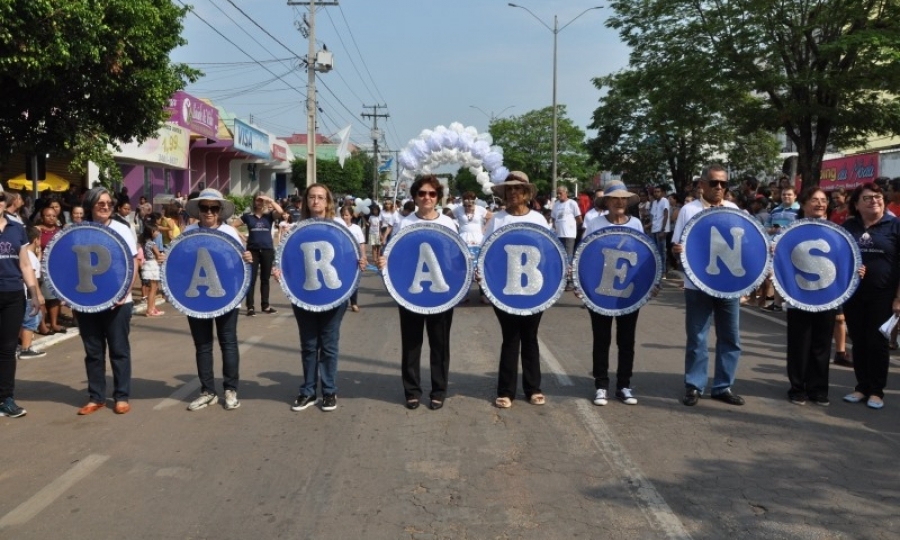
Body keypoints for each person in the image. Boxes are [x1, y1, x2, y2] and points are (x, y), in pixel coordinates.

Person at [376, 175, 457, 410]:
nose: (427, 197)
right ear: (415, 196)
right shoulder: (405, 223)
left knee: (440, 344)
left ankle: (438, 391)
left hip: (441, 294)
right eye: (422, 193)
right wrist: (385, 262)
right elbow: (395, 255)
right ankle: (412, 391)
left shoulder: (449, 224)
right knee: (412, 343)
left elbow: (455, 258)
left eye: (432, 194)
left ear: (438, 198)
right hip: (411, 293)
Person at [283, 184, 365, 413]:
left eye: (320, 197)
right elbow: (286, 261)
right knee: (309, 345)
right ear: (305, 201)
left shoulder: (340, 228)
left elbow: (350, 256)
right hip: (304, 296)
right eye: (312, 197)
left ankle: (329, 391)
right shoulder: (296, 229)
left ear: (328, 202)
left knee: (328, 345)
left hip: (333, 296)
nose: (316, 201)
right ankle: (308, 391)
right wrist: (279, 271)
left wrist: (359, 263)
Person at [672, 164, 745, 407]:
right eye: (714, 182)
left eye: (723, 183)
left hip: (728, 285)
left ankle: (723, 386)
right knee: (698, 338)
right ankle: (694, 386)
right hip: (697, 285)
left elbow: (746, 245)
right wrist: (679, 251)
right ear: (701, 185)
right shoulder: (688, 210)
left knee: (730, 337)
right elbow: (677, 245)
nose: (719, 187)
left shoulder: (733, 209)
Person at [484, 172, 552, 408]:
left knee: (530, 338)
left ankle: (533, 388)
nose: (513, 193)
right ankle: (506, 390)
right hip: (504, 289)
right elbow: (487, 253)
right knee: (510, 338)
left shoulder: (539, 220)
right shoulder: (497, 220)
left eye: (518, 189)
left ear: (526, 194)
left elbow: (550, 254)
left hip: (535, 289)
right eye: (509, 190)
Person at [584, 180, 654, 406]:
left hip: (628, 292)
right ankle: (601, 385)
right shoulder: (595, 223)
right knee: (601, 338)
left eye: (623, 198)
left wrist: (650, 284)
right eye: (615, 198)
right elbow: (584, 257)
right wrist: (581, 286)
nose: (620, 202)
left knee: (626, 340)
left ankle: (624, 384)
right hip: (599, 291)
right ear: (607, 201)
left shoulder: (635, 223)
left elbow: (644, 256)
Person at [182, 189, 253, 411]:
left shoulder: (230, 233)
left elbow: (240, 265)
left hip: (227, 297)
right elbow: (181, 263)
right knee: (202, 346)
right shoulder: (188, 232)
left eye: (214, 208)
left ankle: (230, 389)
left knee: (228, 342)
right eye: (205, 208)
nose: (209, 212)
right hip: (196, 298)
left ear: (220, 211)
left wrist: (247, 258)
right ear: (199, 210)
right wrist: (167, 258)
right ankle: (208, 391)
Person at [74, 187, 139, 415]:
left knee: (119, 350)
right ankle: (96, 397)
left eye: (109, 203)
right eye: (100, 203)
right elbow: (67, 266)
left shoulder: (122, 229)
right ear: (90, 205)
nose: (105, 207)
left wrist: (123, 294)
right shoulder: (79, 230)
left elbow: (132, 265)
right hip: (87, 301)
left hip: (119, 302)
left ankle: (121, 396)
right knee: (93, 351)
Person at [785, 187, 851, 406]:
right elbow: (780, 261)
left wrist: (856, 270)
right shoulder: (790, 231)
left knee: (822, 343)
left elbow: (845, 260)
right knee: (799, 343)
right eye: (814, 200)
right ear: (803, 204)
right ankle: (797, 388)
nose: (820, 203)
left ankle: (818, 389)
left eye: (824, 200)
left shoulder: (836, 232)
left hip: (827, 295)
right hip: (799, 296)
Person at [841, 182, 900, 409]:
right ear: (856, 204)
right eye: (867, 198)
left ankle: (876, 391)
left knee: (877, 342)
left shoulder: (894, 226)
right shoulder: (848, 226)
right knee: (859, 341)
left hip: (883, 295)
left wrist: (898, 298)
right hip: (853, 294)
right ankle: (862, 387)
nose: (874, 201)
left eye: (877, 197)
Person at [0, 194, 44, 418]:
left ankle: (6, 398)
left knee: (8, 349)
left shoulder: (16, 229)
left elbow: (26, 265)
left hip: (13, 295)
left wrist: (35, 293)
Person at [234, 194, 286, 316]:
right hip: (252, 250)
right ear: (254, 201)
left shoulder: (269, 216)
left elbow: (281, 211)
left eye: (262, 200)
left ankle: (265, 305)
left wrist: (270, 201)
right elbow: (233, 225)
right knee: (251, 279)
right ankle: (250, 307)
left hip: (267, 249)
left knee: (265, 279)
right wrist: (241, 236)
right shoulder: (248, 216)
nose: (260, 202)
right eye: (258, 199)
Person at [18, 226, 47, 359]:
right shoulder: (29, 256)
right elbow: (33, 277)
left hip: (24, 293)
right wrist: (39, 294)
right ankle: (26, 348)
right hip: (30, 294)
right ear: (36, 240)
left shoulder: (26, 254)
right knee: (31, 321)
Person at [35, 206, 65, 335]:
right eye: (48, 215)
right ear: (42, 217)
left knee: (54, 297)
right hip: (41, 267)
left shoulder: (59, 231)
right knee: (42, 298)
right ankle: (42, 326)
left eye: (53, 215)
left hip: (56, 268)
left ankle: (54, 323)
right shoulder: (37, 230)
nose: (51, 218)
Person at [551, 186, 581, 291]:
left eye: (560, 193)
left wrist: (572, 229)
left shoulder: (572, 203)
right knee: (560, 257)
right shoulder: (556, 204)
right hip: (559, 235)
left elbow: (579, 219)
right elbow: (553, 218)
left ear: (566, 192)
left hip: (569, 235)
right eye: (557, 193)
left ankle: (570, 281)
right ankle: (562, 280)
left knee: (569, 257)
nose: (559, 195)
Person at [339, 205, 365, 312]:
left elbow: (361, 243)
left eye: (346, 215)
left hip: (353, 256)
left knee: (354, 280)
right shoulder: (337, 227)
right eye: (342, 215)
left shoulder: (356, 228)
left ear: (351, 216)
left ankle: (354, 302)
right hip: (340, 257)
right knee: (341, 279)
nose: (344, 217)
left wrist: (363, 257)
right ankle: (341, 302)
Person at [139, 223, 165, 317]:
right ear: (151, 232)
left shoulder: (144, 242)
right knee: (153, 290)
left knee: (152, 288)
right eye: (156, 231)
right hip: (153, 265)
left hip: (147, 264)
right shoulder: (152, 243)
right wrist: (164, 256)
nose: (158, 232)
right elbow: (159, 256)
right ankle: (150, 310)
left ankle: (153, 308)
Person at [650, 184, 670, 272]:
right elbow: (653, 217)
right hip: (654, 229)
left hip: (661, 230)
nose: (656, 193)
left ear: (662, 193)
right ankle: (657, 270)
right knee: (655, 251)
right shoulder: (654, 202)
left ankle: (663, 271)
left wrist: (663, 229)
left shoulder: (664, 200)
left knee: (662, 252)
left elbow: (666, 215)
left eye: (658, 192)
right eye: (655, 192)